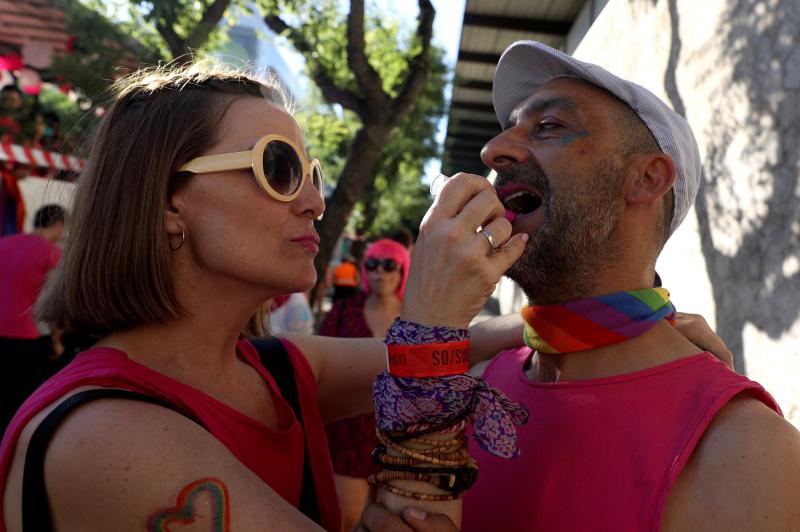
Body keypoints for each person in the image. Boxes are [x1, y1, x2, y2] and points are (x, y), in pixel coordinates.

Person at [0, 63, 529, 531]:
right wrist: (432, 315)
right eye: (278, 169)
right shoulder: (106, 437)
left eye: (312, 173)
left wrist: (570, 315)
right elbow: (426, 350)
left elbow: (470, 342)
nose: (316, 202)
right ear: (167, 201)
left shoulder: (278, 368)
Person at [459, 41, 797, 531]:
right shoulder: (474, 382)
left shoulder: (744, 448)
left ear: (646, 178)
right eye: (507, 128)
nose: (493, 150)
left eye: (549, 126)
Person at [322, 238, 410, 531]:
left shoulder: (415, 318)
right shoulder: (343, 312)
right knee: (344, 521)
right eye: (372, 264)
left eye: (389, 265)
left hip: (400, 442)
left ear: (402, 271)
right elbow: (320, 369)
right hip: (347, 436)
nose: (380, 273)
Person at [0, 204, 65, 433]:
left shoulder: (4, 242)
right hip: (27, 338)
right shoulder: (52, 252)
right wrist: (57, 340)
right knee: (22, 403)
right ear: (58, 224)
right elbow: (52, 303)